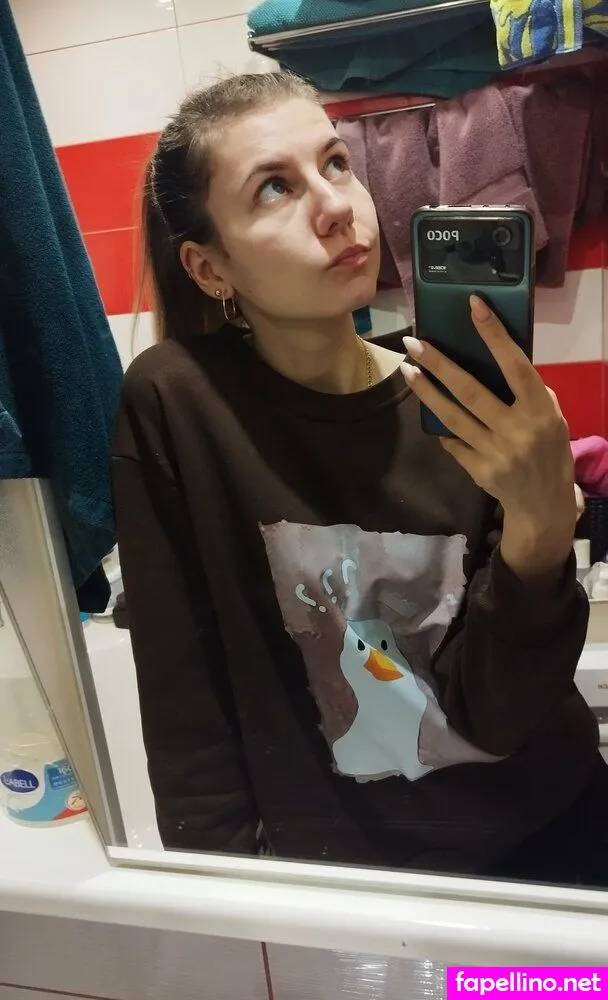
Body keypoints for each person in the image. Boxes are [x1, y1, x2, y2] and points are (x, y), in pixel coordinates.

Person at [112, 71, 608, 884]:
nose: (336, 205)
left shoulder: (455, 397)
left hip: (555, 839)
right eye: (275, 187)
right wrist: (226, 900)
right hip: (356, 887)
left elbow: (500, 715)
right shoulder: (177, 402)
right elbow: (184, 697)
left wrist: (542, 529)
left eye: (336, 163)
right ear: (208, 267)